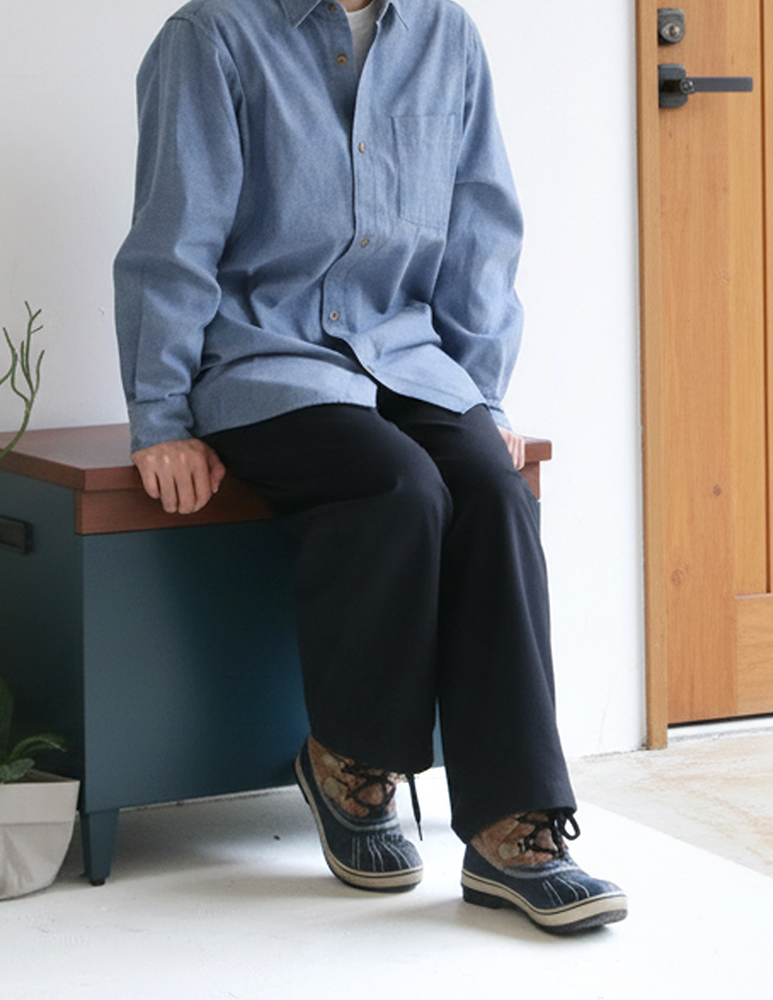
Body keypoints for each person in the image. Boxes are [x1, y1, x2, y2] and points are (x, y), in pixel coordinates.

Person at [114, 0, 627, 934]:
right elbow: (174, 232)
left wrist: (484, 398)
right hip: (266, 360)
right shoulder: (213, 35)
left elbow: (481, 228)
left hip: (406, 353)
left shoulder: (446, 35)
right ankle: (349, 760)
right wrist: (159, 418)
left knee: (494, 491)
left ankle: (514, 827)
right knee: (398, 485)